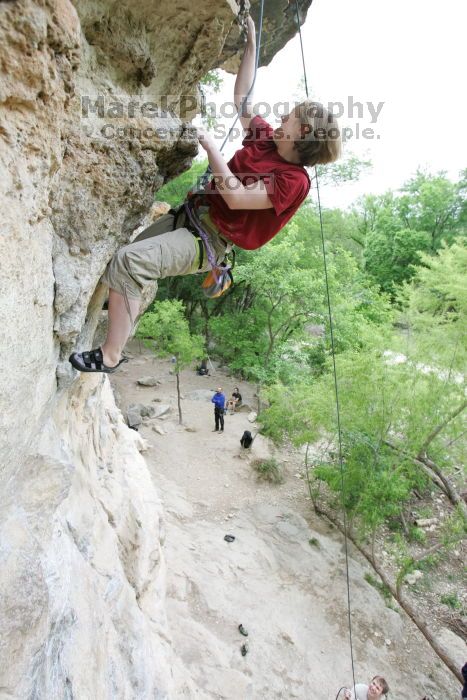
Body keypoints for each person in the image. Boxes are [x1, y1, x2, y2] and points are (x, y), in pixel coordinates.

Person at [69, 16, 341, 374]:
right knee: (123, 262)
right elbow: (243, 99)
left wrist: (212, 149)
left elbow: (239, 198)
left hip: (207, 240)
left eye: (290, 117)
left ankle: (110, 355)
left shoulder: (293, 180)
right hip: (190, 216)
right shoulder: (266, 140)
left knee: (129, 263)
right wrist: (252, 45)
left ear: (302, 132)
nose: (282, 116)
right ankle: (119, 319)